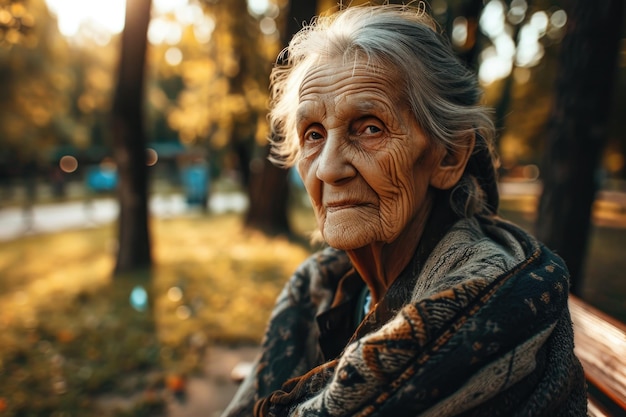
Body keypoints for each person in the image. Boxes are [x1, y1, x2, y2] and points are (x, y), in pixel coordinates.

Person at [221, 4, 587, 416]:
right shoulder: (321, 287)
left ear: (448, 156)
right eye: (313, 134)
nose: (327, 168)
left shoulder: (485, 304)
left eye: (369, 127)